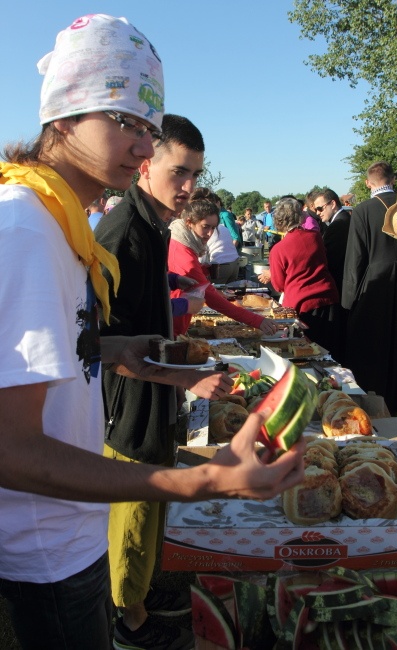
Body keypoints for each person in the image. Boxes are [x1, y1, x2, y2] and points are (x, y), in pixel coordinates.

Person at [0, 14, 306, 650]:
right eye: (125, 120)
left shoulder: (62, 224)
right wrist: (198, 481)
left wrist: (117, 349)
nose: (144, 145)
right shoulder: (28, 230)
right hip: (49, 549)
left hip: (71, 531)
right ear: (65, 114)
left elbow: (53, 358)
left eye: (148, 126)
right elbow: (11, 449)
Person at [95, 113, 233, 650]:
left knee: (153, 499)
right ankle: (128, 622)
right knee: (132, 508)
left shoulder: (152, 226)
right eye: (180, 173)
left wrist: (174, 280)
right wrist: (188, 379)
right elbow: (110, 349)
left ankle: (142, 595)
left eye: (196, 175)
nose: (190, 187)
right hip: (127, 408)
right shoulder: (124, 231)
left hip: (156, 396)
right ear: (146, 163)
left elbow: (145, 297)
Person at [341, 161, 397, 414]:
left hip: (375, 281)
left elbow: (355, 257)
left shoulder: (364, 210)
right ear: (394, 179)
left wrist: (349, 298)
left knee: (371, 340)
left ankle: (372, 395)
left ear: (368, 182)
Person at [168, 195, 278, 337]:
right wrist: (258, 321)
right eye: (205, 226)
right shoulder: (184, 254)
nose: (210, 233)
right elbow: (214, 301)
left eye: (213, 228)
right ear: (189, 223)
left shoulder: (180, 239)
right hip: (174, 325)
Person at [268, 198, 342, 360]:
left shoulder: (278, 250)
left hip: (303, 306)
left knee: (308, 354)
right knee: (330, 352)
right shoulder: (315, 237)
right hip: (328, 299)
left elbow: (279, 285)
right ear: (300, 216)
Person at [313, 188, 351, 299]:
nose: (318, 213)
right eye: (316, 209)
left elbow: (329, 259)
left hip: (340, 283)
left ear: (333, 203)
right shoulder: (344, 218)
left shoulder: (338, 225)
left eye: (320, 208)